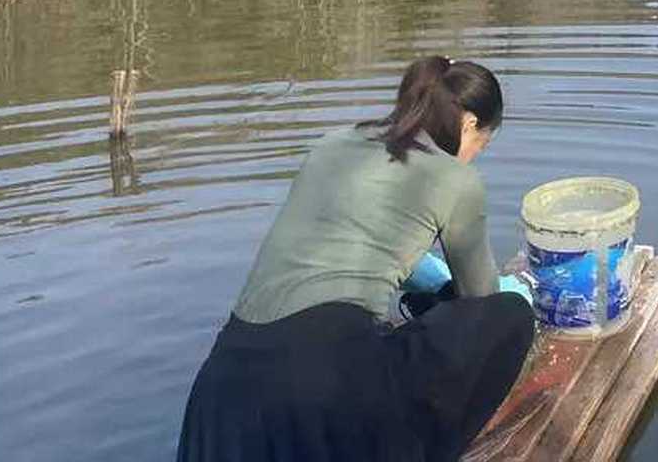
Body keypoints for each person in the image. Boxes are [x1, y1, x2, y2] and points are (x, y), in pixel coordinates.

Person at [176, 56, 535, 462]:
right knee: (510, 317)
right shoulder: (455, 178)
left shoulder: (334, 143)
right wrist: (518, 291)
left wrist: (424, 281)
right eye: (481, 144)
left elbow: (345, 239)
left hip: (218, 402)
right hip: (322, 394)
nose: (474, 156)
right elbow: (480, 298)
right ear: (468, 123)